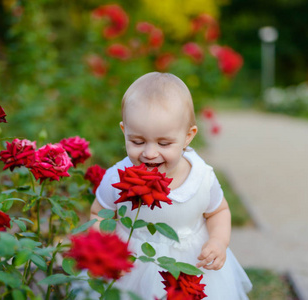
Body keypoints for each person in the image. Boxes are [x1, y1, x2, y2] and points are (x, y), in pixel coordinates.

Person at [90, 72, 252, 299]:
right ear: (124, 131)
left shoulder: (201, 178)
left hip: (190, 265)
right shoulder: (117, 178)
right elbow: (99, 213)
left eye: (164, 143)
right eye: (137, 141)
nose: (149, 153)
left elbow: (219, 211)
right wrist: (102, 247)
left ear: (188, 136)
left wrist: (218, 241)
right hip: (131, 264)